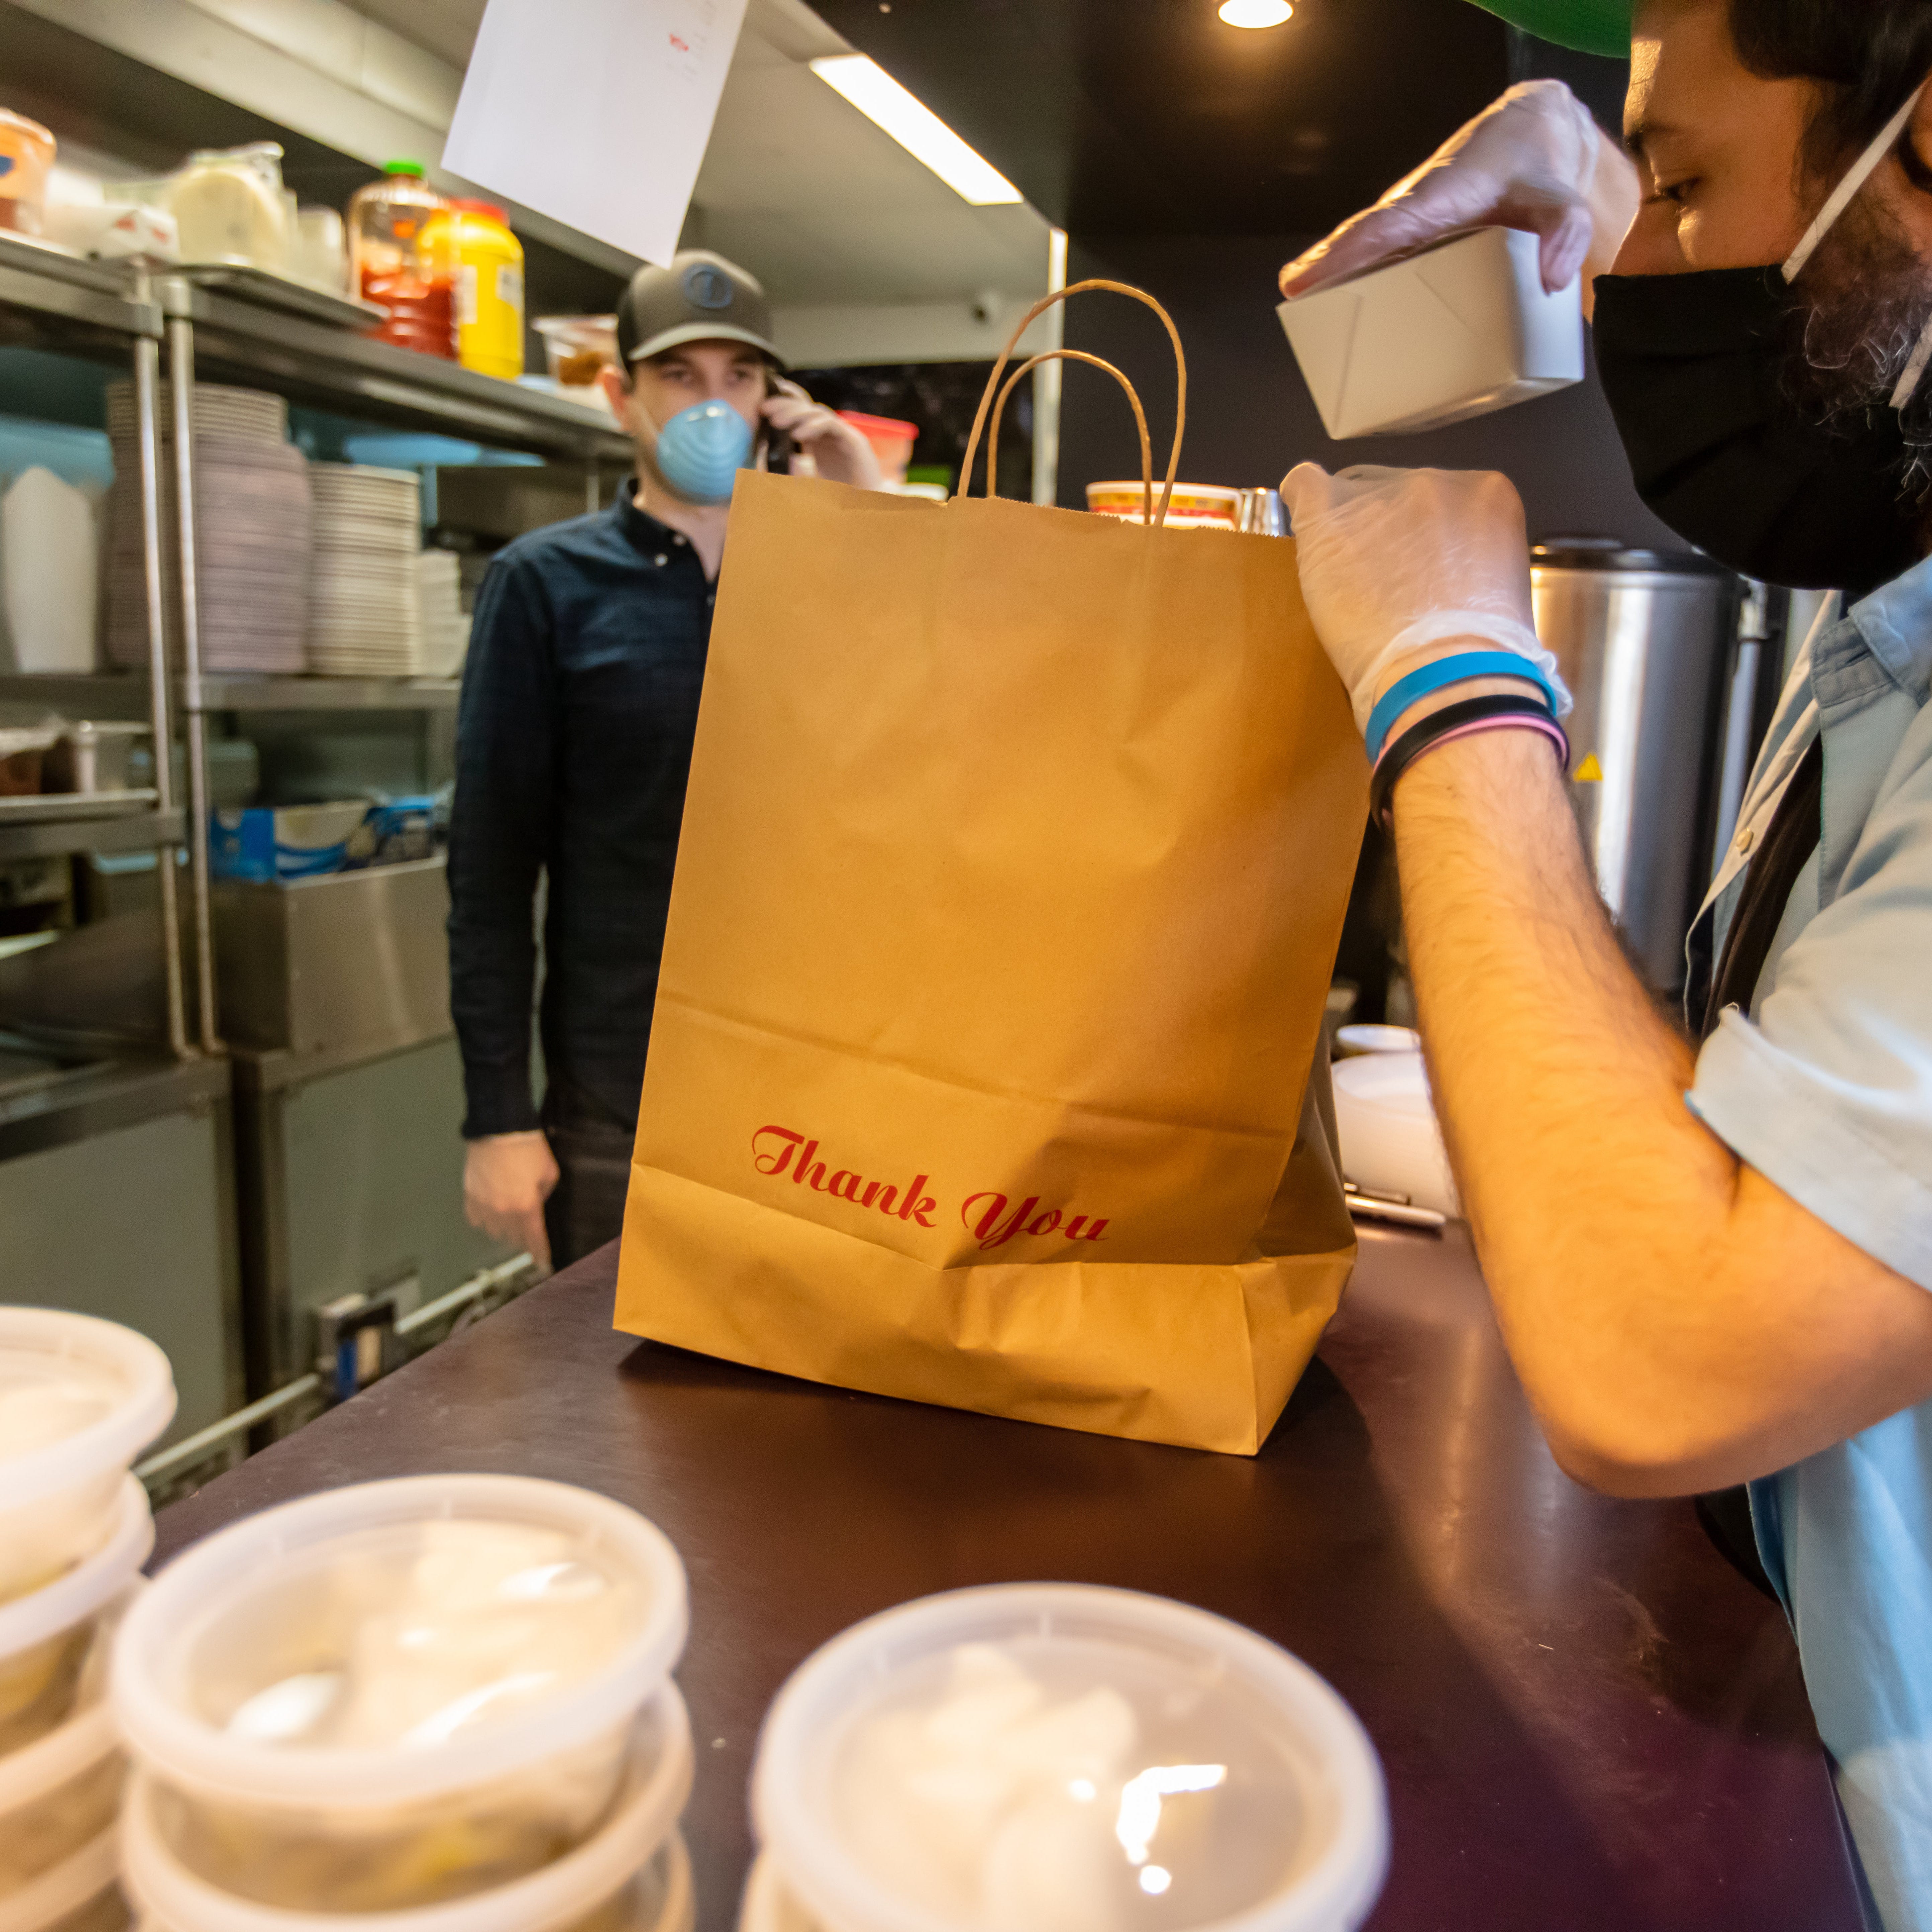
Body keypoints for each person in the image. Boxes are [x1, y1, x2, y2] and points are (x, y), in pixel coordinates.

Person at [1277, 2, 1932, 1922]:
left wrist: (1450, 677)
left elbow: (1668, 1353)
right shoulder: (1884, 614)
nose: (1646, 261)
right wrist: (1610, 178)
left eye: (1691, 183)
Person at [449, 249, 883, 1272]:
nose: (713, 403)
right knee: (617, 1419)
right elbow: (492, 870)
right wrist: (498, 1119)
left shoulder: (833, 578)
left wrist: (872, 515)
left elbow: (929, 761)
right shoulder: (544, 586)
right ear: (621, 395)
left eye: (741, 378)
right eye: (682, 376)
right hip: (619, 1103)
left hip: (819, 1097)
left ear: (776, 404)